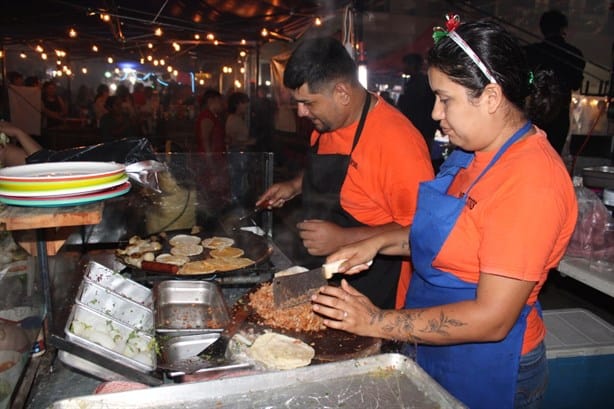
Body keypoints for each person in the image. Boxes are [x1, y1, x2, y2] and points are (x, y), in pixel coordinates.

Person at [311, 17, 577, 409]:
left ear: (490, 97)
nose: (435, 113)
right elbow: (448, 237)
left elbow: (492, 318)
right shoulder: (471, 155)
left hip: (491, 366)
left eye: (445, 98)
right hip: (434, 344)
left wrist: (377, 321)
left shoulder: (530, 181)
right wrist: (375, 243)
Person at [256, 36, 434, 309]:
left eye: (308, 103)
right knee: (266, 308)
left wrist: (342, 238)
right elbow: (340, 178)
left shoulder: (399, 143)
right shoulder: (325, 125)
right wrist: (293, 186)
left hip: (373, 292)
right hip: (321, 273)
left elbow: (422, 233)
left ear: (342, 93)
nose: (301, 113)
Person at [524, 9, 585, 154]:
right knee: (553, 153)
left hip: (534, 109)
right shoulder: (574, 54)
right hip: (560, 112)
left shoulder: (531, 51)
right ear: (563, 29)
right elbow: (576, 84)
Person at [396, 53, 442, 169]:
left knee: (420, 160)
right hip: (422, 128)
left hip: (420, 128)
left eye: (405, 65)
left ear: (412, 65)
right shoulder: (417, 82)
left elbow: (415, 106)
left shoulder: (419, 83)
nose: (403, 68)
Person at [195, 89, 225, 153]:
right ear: (210, 101)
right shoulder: (207, 117)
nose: (222, 103)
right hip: (210, 158)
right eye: (219, 100)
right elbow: (205, 140)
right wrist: (209, 160)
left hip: (216, 155)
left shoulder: (213, 116)